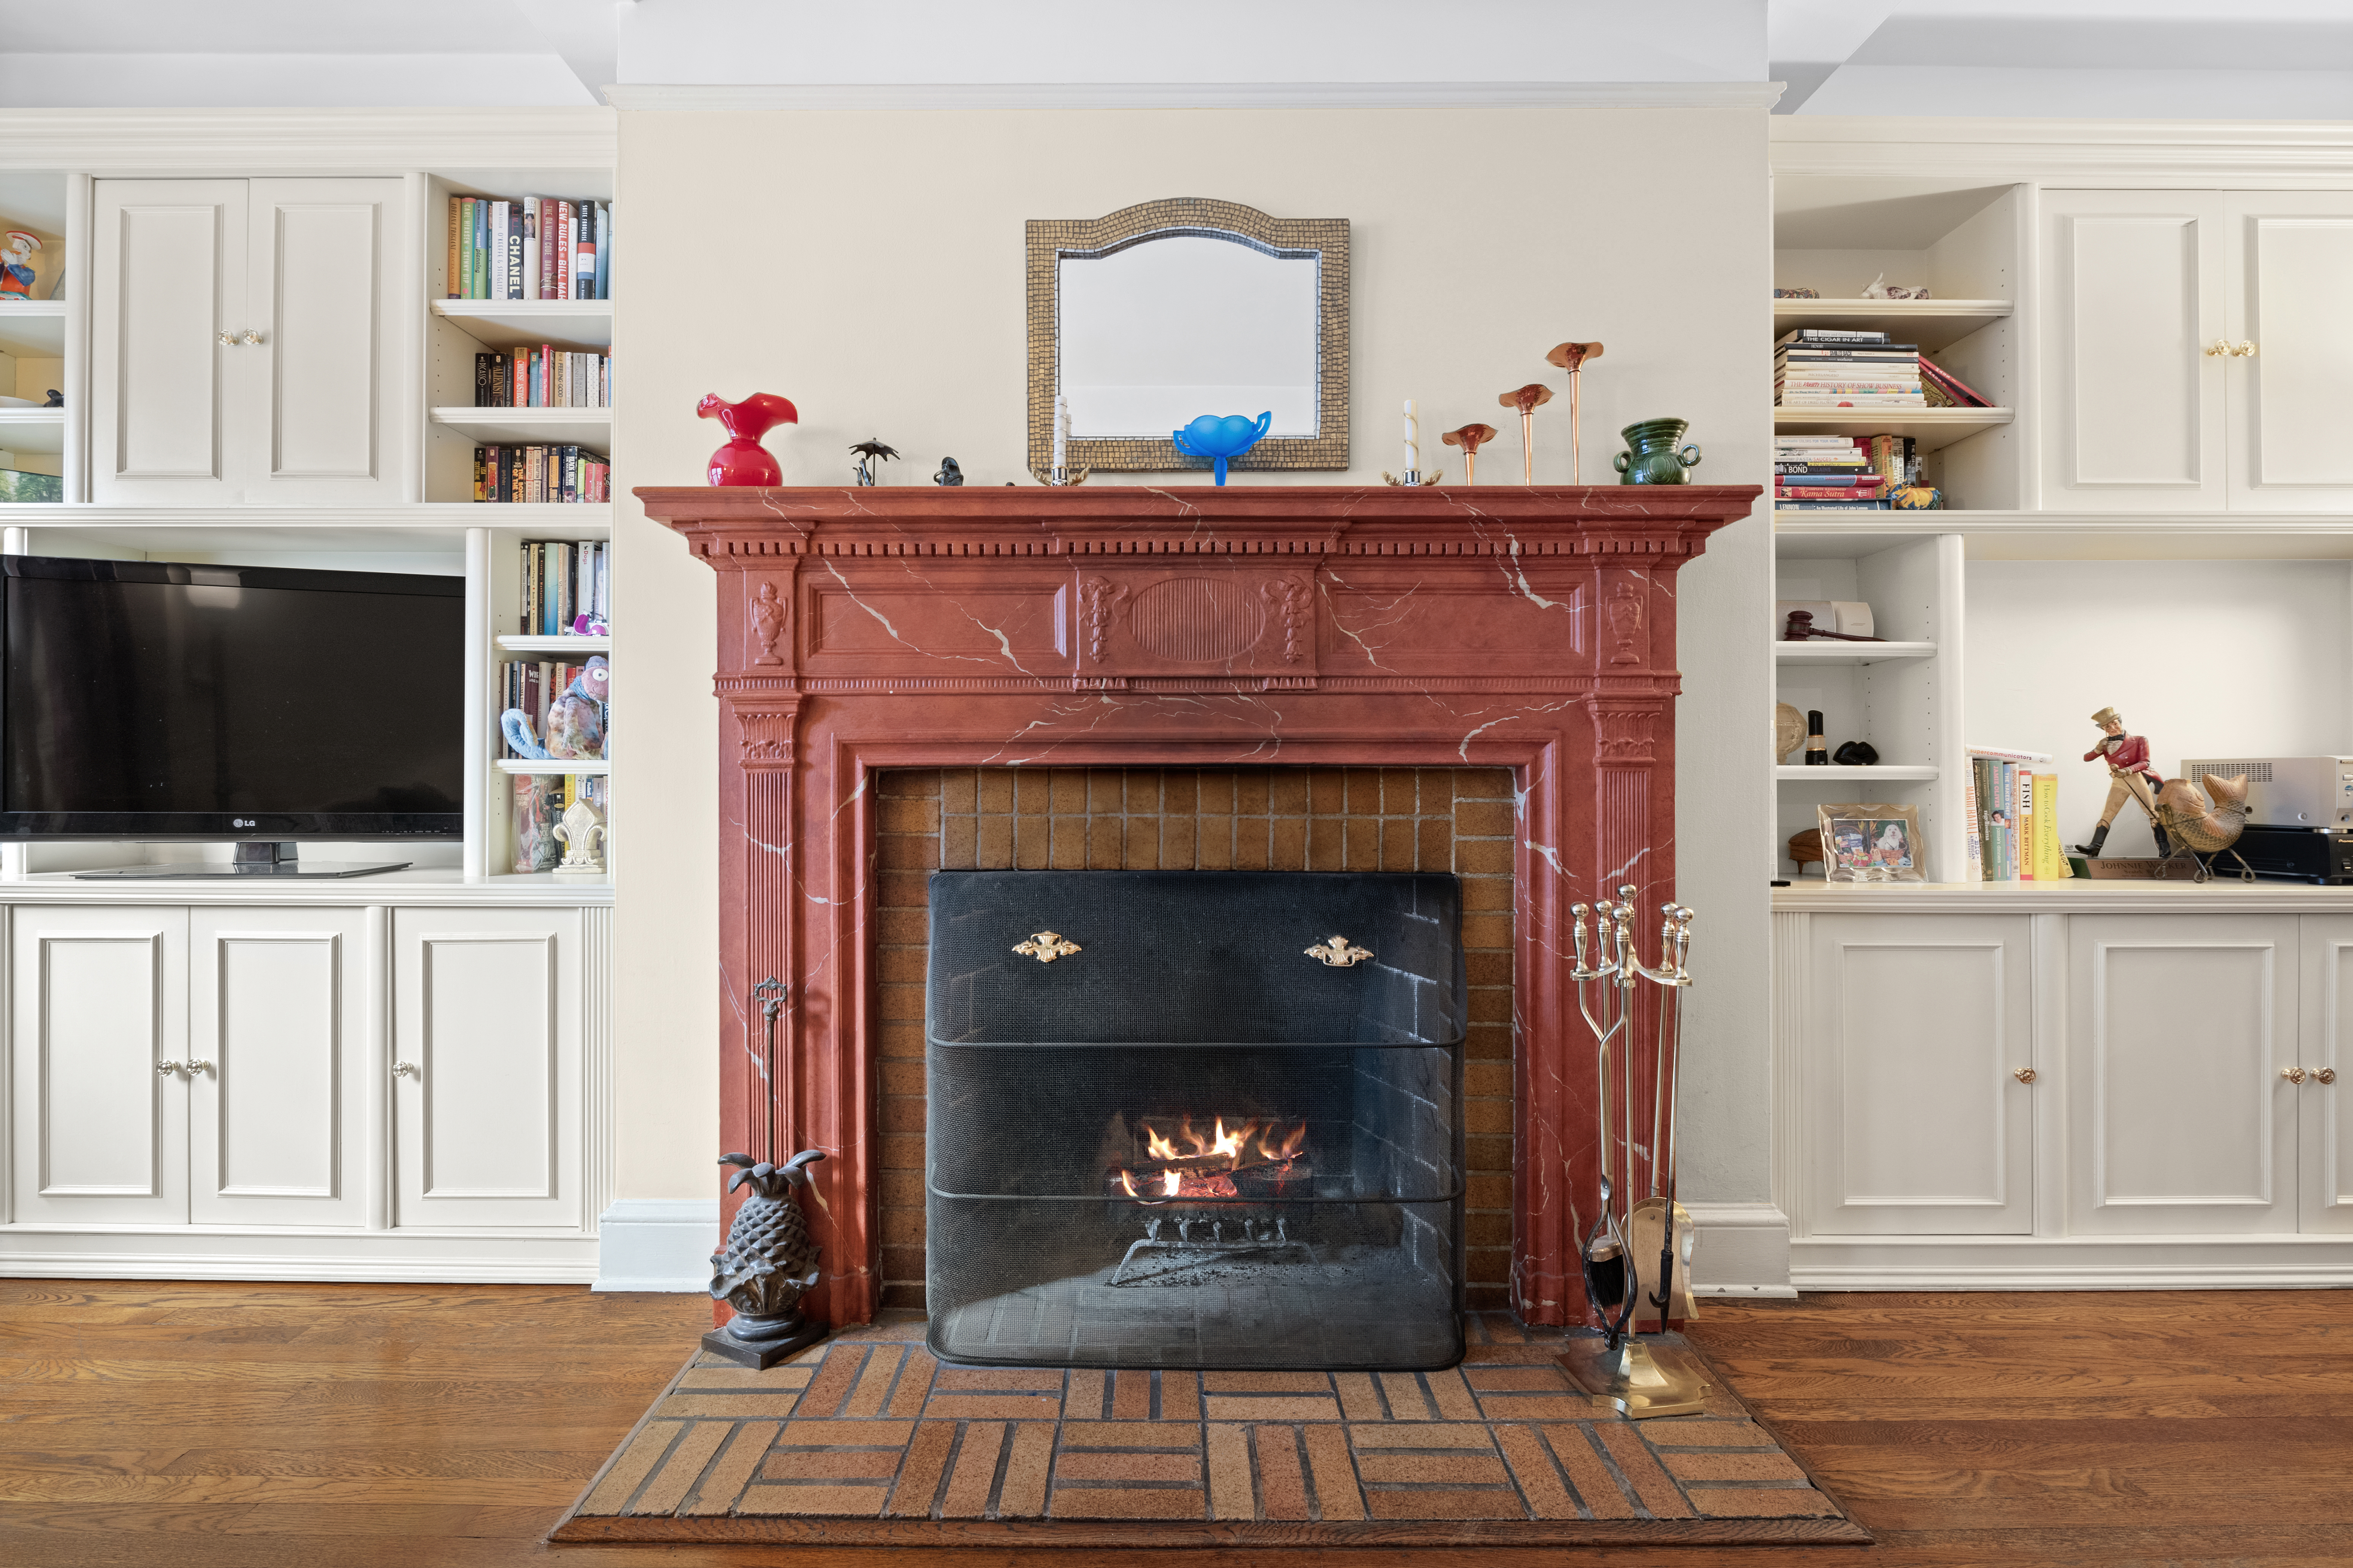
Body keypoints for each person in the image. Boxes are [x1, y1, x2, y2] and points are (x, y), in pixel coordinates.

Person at [2076, 705, 2167, 858]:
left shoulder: (2139, 740)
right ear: (2103, 729)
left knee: (2151, 812)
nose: (2112, 728)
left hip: (2135, 778)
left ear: (2120, 722)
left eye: (2115, 724)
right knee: (2108, 814)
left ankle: (2165, 849)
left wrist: (2128, 770)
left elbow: (2145, 762)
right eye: (2107, 726)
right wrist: (2099, 749)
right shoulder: (2105, 744)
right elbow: (2087, 758)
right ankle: (2095, 847)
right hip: (2119, 782)